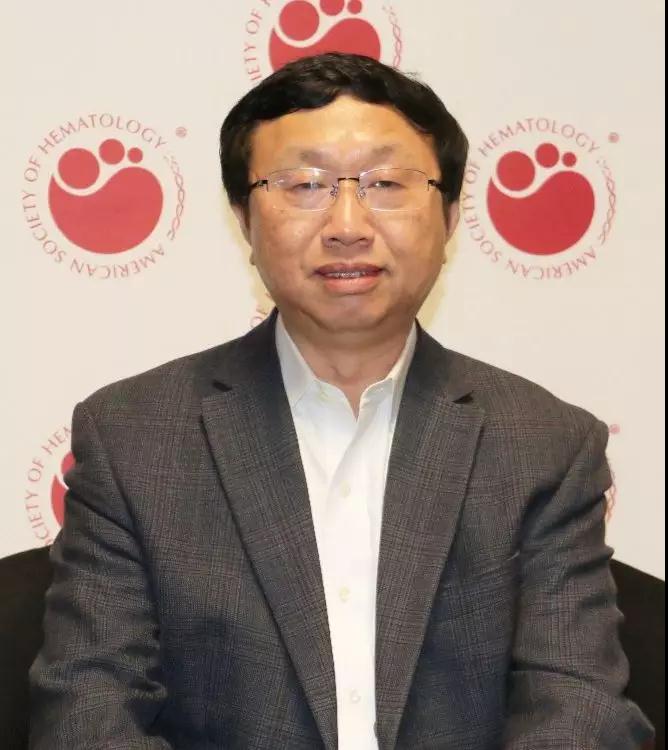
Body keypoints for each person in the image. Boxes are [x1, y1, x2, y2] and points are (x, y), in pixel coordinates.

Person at [29, 53, 653, 749]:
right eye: (304, 185)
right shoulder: (135, 437)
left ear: (450, 216)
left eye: (386, 183)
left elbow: (578, 707)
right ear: (244, 218)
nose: (348, 224)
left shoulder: (544, 445)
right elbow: (89, 710)